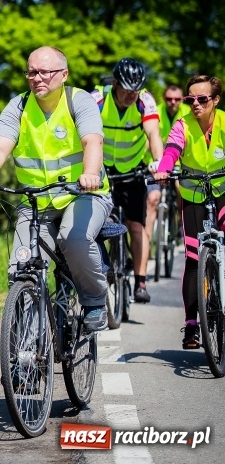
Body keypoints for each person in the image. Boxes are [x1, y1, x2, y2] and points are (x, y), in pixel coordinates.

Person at [0, 46, 113, 332]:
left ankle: (94, 299)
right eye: (31, 72)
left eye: (45, 71)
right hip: (37, 201)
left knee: (73, 238)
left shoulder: (79, 101)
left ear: (64, 74)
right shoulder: (18, 106)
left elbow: (92, 142)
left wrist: (90, 174)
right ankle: (27, 348)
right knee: (21, 267)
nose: (37, 78)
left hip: (83, 194)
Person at [154, 75, 223, 349]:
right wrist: (164, 167)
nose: (195, 104)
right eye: (190, 99)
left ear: (215, 100)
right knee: (194, 257)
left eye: (202, 99)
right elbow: (172, 150)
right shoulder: (182, 125)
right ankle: (192, 325)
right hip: (193, 193)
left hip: (223, 192)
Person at [90, 58, 163, 303]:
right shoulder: (97, 99)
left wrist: (159, 163)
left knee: (136, 226)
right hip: (103, 172)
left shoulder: (145, 101)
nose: (132, 94)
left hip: (133, 170)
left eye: (137, 88)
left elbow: (153, 134)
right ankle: (102, 267)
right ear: (115, 84)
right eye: (127, 89)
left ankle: (141, 281)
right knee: (98, 224)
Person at [144, 85, 189, 269]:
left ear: (182, 100)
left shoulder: (188, 112)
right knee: (152, 199)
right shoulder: (157, 111)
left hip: (177, 163)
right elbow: (150, 135)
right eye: (169, 99)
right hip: (156, 164)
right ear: (164, 98)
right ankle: (146, 245)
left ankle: (180, 222)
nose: (173, 102)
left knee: (180, 188)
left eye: (177, 99)